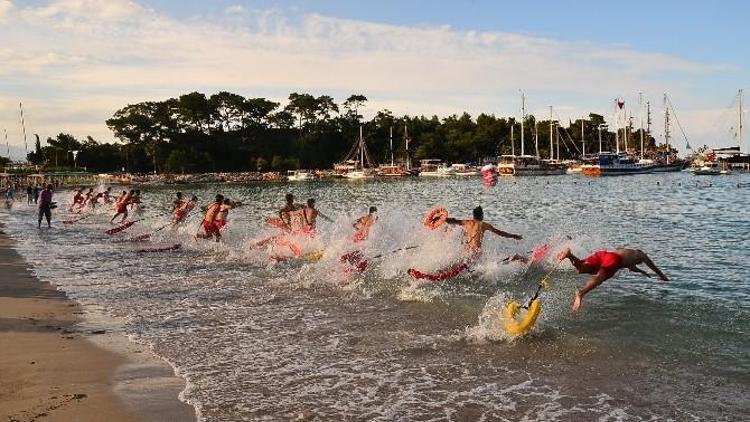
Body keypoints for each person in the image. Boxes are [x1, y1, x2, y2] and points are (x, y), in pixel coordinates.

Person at [557, 247, 669, 312]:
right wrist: (662, 276)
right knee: (600, 277)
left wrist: (642, 272)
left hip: (603, 255)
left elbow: (631, 267)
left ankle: (570, 255)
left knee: (581, 268)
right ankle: (581, 293)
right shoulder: (641, 255)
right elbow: (653, 266)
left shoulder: (627, 252)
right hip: (614, 260)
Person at [444, 206, 522, 258]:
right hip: (475, 254)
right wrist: (514, 236)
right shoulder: (483, 225)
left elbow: (453, 221)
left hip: (466, 253)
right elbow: (500, 233)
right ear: (482, 215)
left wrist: (443, 219)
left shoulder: (466, 222)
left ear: (473, 215)